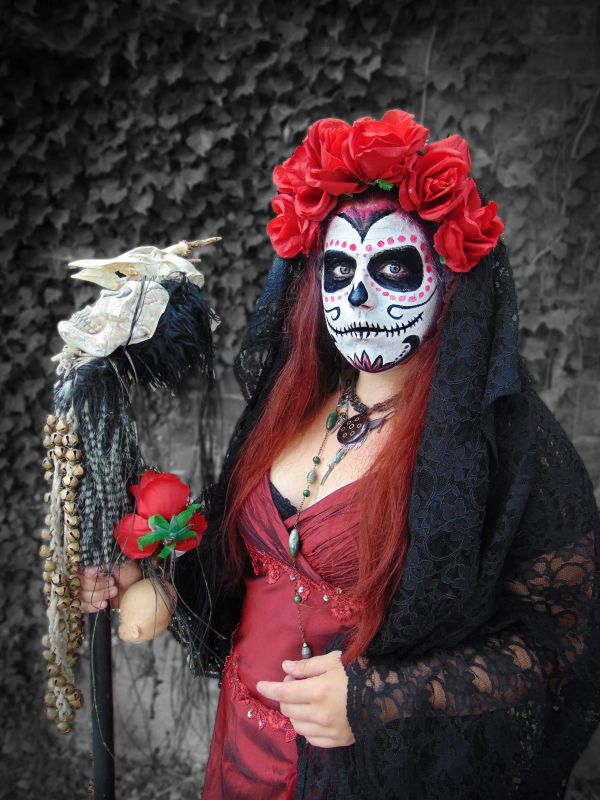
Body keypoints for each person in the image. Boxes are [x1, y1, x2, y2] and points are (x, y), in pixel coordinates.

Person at [79, 111, 600, 800]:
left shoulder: (504, 443)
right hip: (242, 746)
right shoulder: (291, 405)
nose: (358, 294)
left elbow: (564, 641)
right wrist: (154, 580)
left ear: (448, 279)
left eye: (392, 266)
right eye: (339, 267)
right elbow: (242, 566)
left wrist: (383, 696)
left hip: (370, 775)